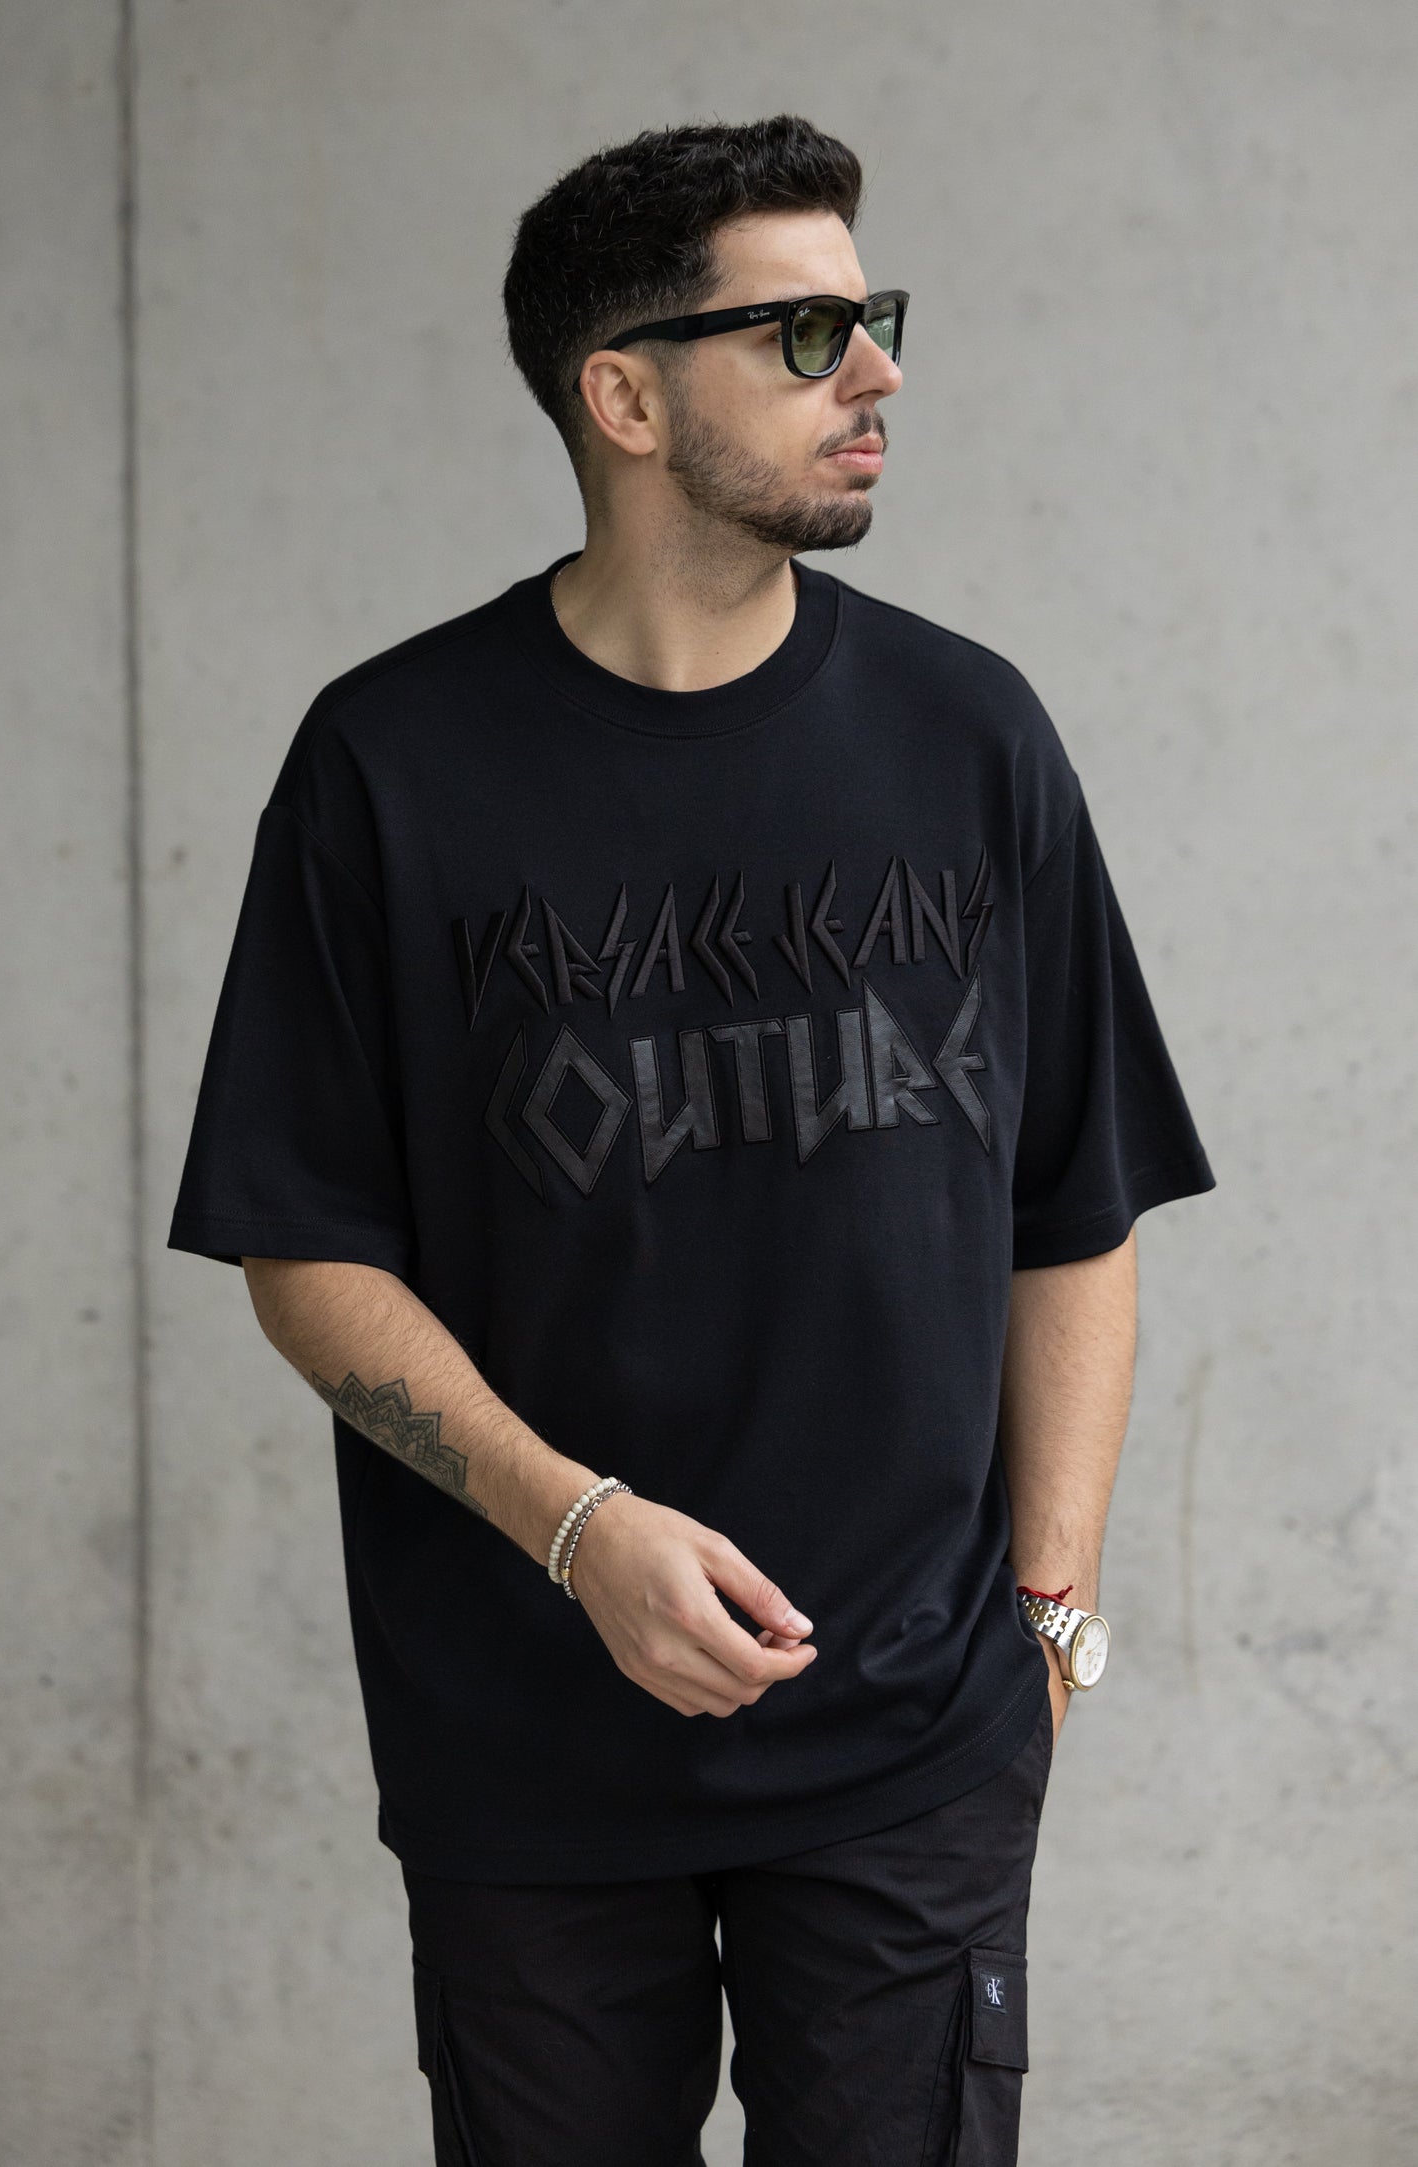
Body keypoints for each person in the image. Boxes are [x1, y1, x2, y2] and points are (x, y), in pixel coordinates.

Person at [167, 113, 1216, 2166]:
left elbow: (1074, 1203)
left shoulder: (969, 736)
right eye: (806, 330)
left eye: (873, 315)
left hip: (916, 1741)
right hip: (527, 1750)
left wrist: (1049, 1624)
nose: (877, 369)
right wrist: (580, 1530)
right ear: (625, 398)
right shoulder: (392, 763)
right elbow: (307, 1249)